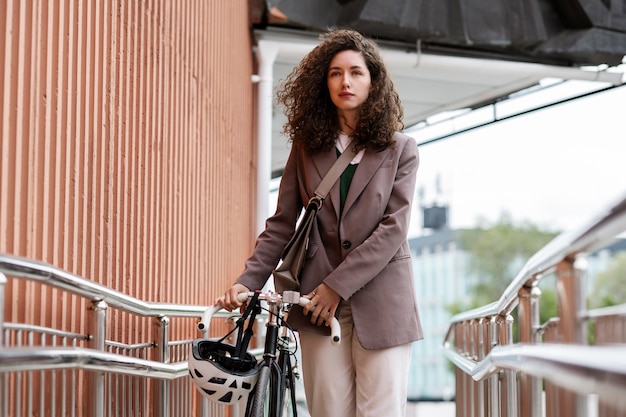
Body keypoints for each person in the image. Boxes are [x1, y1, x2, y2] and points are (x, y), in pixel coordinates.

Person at [217, 28, 423, 417]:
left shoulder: (401, 150)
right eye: (335, 73)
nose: (345, 81)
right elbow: (281, 224)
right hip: (315, 305)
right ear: (323, 83)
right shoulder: (305, 148)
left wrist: (335, 287)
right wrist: (247, 281)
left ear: (373, 81)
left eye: (356, 72)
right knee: (328, 411)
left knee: (380, 411)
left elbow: (393, 229)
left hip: (382, 301)